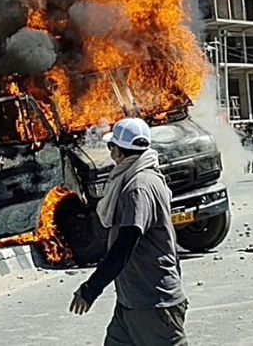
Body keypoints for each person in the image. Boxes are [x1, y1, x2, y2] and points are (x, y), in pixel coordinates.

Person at [70, 118, 187, 345]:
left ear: (119, 152)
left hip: (153, 305)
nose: (110, 151)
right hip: (130, 303)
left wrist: (91, 288)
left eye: (110, 146)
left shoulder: (138, 187)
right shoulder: (139, 176)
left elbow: (124, 246)